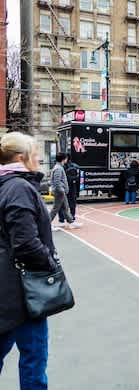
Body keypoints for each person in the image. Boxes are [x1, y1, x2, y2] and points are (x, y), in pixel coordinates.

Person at [0, 132, 62, 389]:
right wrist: (51, 265)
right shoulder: (20, 188)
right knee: (34, 362)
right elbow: (25, 242)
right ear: (20, 157)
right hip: (25, 292)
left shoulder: (6, 185)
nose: (38, 159)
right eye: (35, 154)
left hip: (6, 288)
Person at [48, 153, 81, 230]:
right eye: (66, 158)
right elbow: (57, 182)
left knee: (65, 208)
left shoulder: (59, 167)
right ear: (64, 159)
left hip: (61, 192)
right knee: (55, 209)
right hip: (60, 192)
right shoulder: (58, 168)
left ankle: (71, 222)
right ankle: (47, 224)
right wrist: (62, 190)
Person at [58, 158, 79, 224]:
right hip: (73, 187)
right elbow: (78, 178)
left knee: (61, 204)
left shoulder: (61, 167)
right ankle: (72, 217)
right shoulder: (75, 166)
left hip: (64, 187)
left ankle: (62, 219)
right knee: (72, 203)